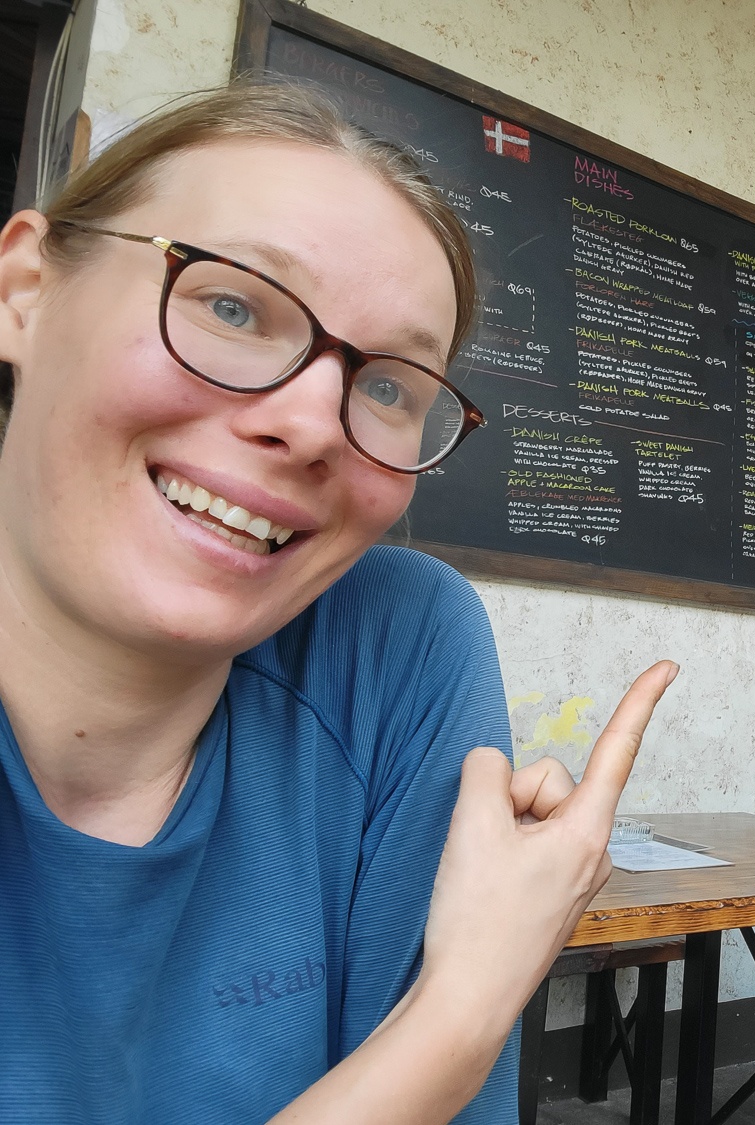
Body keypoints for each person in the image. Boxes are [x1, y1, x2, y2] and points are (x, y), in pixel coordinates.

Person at [0, 81, 676, 1122]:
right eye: (233, 306)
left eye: (390, 386)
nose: (316, 423)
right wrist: (458, 1013)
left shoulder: (394, 645)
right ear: (26, 287)